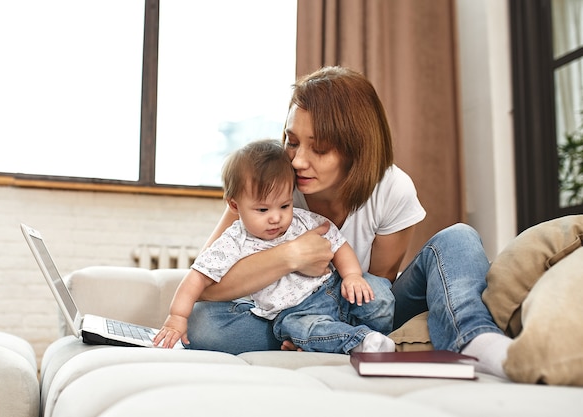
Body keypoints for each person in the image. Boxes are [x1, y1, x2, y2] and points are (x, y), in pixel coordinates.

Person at [179, 66, 513, 379]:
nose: (297, 161)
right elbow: (208, 287)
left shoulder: (392, 189)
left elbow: (381, 288)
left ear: (356, 150)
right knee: (203, 324)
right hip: (290, 314)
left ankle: (476, 341)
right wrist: (292, 256)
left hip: (360, 305)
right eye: (291, 141)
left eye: (319, 149)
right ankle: (321, 336)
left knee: (458, 237)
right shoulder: (270, 186)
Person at [153, 139, 396, 353]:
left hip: (336, 290)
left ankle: (373, 334)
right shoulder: (234, 240)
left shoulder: (303, 220)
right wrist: (177, 316)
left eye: (284, 205)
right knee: (306, 330)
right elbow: (196, 279)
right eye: (262, 209)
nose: (275, 217)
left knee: (380, 294)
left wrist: (352, 276)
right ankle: (361, 342)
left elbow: (338, 244)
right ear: (235, 206)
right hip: (296, 312)